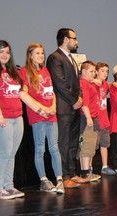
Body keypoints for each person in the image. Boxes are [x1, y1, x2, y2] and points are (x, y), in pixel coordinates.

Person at [0, 40, 44, 199]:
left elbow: (21, 91)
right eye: (1, 51)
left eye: (7, 52)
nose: (5, 55)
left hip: (17, 116)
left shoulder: (11, 71)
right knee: (4, 152)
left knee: (12, 153)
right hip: (0, 117)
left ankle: (9, 187)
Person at [19, 43, 64, 193]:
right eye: (37, 53)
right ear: (30, 55)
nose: (40, 56)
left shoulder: (45, 70)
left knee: (54, 147)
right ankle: (43, 180)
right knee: (40, 149)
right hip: (38, 115)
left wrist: (53, 107)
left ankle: (59, 179)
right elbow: (24, 94)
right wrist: (41, 109)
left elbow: (51, 93)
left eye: (42, 53)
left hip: (51, 114)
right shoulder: (25, 72)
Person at [46, 28, 88, 188]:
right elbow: (60, 83)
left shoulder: (70, 58)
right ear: (65, 39)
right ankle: (63, 177)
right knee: (63, 143)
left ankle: (72, 173)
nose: (76, 41)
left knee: (73, 142)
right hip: (64, 108)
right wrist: (74, 99)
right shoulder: (54, 58)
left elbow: (77, 82)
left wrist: (80, 98)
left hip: (75, 107)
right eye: (74, 38)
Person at [78, 60, 101, 182]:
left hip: (91, 117)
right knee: (87, 145)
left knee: (88, 146)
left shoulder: (88, 83)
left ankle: (84, 172)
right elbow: (84, 103)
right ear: (83, 71)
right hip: (88, 118)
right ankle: (86, 173)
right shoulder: (84, 84)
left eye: (95, 71)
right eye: (91, 71)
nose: (94, 74)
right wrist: (88, 118)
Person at [93, 62, 116, 175]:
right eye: (102, 71)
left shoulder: (106, 85)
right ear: (96, 72)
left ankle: (104, 166)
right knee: (92, 146)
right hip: (95, 120)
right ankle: (89, 169)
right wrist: (93, 80)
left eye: (107, 71)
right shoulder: (91, 83)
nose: (105, 73)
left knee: (104, 144)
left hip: (104, 120)